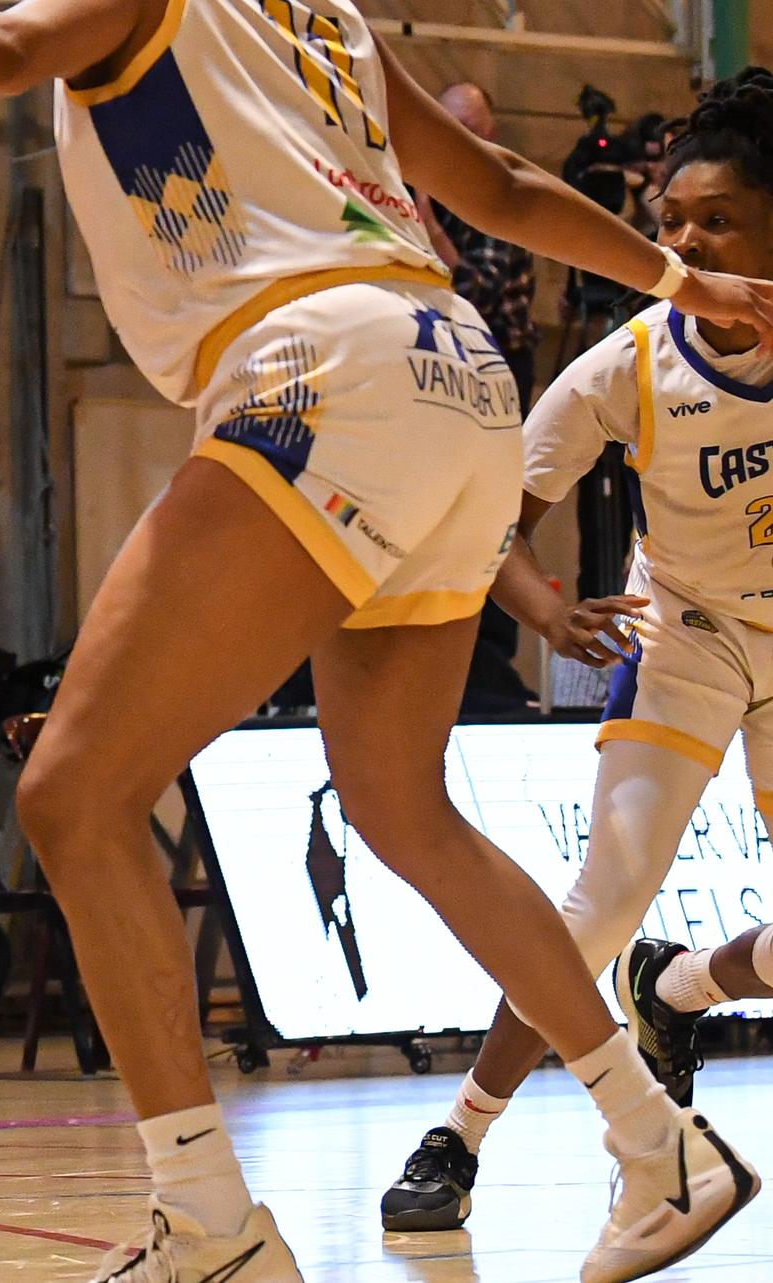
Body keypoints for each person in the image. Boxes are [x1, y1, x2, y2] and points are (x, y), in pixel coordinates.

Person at [0, 3, 773, 1280]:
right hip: (460, 375)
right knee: (399, 806)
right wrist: (680, 280)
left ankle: (207, 1219)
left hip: (317, 368)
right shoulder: (326, 17)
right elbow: (493, 184)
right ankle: (657, 1141)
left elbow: (0, 56)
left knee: (74, 795)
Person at [382, 66, 773, 1235]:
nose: (688, 240)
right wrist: (546, 610)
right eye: (671, 223)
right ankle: (459, 1132)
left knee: (643, 950)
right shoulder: (631, 363)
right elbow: (496, 516)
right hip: (689, 637)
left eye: (718, 221)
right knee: (595, 903)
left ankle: (678, 985)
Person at [421, 84, 540, 414]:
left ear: (491, 133)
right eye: (446, 127)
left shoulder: (498, 191)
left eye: (467, 130)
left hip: (498, 357)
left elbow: (478, 292)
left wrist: (428, 225)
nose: (454, 140)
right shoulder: (425, 184)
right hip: (439, 353)